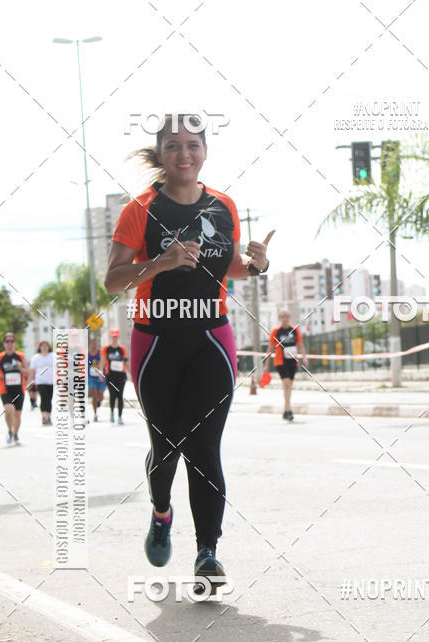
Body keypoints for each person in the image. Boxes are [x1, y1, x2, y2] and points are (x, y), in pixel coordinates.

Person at [104, 113, 272, 585]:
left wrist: (256, 265)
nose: (184, 154)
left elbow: (224, 267)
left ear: (205, 152)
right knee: (167, 446)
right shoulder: (139, 210)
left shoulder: (223, 206)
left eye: (193, 145)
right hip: (156, 341)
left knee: (204, 447)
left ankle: (207, 553)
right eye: (173, 146)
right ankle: (161, 511)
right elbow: (113, 280)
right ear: (160, 154)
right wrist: (161, 262)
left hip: (211, 340)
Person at [264, 310, 308, 420]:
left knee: (288, 386)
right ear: (279, 318)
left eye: (287, 316)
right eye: (283, 316)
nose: (285, 318)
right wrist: (267, 365)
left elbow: (300, 345)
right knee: (287, 383)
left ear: (290, 318)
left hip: (292, 361)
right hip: (280, 361)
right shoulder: (276, 331)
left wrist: (304, 357)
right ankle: (288, 410)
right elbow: (270, 348)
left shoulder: (294, 330)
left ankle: (285, 410)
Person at [0, 333, 28, 444]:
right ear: (4, 343)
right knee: (8, 409)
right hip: (5, 389)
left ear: (15, 343)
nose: (10, 343)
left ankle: (15, 434)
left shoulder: (20, 356)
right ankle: (9, 430)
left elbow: (27, 370)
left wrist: (21, 368)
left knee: (17, 414)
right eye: (7, 341)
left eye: (12, 341)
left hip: (19, 389)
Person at [101, 329, 128, 424]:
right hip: (110, 375)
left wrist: (131, 374)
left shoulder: (122, 349)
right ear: (111, 337)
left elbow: (125, 361)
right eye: (113, 336)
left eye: (116, 336)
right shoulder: (106, 348)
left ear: (118, 337)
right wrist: (101, 372)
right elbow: (103, 361)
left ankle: (120, 417)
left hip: (121, 375)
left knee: (120, 396)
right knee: (112, 395)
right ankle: (112, 413)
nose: (115, 338)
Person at [29, 340, 54, 425]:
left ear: (48, 347)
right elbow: (32, 370)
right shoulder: (36, 357)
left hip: (51, 381)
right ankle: (44, 416)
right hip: (40, 381)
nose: (44, 347)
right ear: (40, 347)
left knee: (49, 399)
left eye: (46, 346)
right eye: (42, 346)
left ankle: (49, 416)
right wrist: (30, 381)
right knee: (43, 398)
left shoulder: (53, 356)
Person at [88, 337, 106, 422]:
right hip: (91, 377)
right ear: (89, 344)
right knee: (94, 395)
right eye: (92, 343)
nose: (93, 345)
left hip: (100, 376)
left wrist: (99, 367)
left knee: (101, 396)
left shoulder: (100, 353)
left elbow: (103, 362)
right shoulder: (87, 354)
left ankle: (99, 402)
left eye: (95, 343)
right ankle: (95, 414)